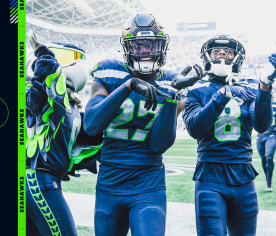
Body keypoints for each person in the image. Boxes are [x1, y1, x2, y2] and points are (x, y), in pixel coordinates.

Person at [83, 13, 203, 236]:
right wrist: (128, 86)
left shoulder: (170, 81)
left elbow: (159, 144)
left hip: (148, 182)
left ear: (162, 47)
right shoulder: (110, 73)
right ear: (127, 48)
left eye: (152, 45)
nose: (147, 52)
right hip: (110, 180)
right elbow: (91, 125)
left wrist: (172, 96)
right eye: (139, 46)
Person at [183, 35, 275, 235]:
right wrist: (222, 95)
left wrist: (265, 86)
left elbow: (262, 125)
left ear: (237, 59)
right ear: (208, 57)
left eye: (229, 52)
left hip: (243, 175)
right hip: (210, 175)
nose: (223, 54)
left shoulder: (249, 88)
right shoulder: (197, 90)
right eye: (217, 52)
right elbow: (194, 128)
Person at [25, 33, 102, 236]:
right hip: (38, 181)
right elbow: (38, 93)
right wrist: (44, 54)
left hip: (39, 181)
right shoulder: (40, 94)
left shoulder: (71, 106)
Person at [257, 98, 276, 192]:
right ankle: (267, 178)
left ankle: (269, 183)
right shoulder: (260, 104)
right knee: (263, 159)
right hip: (260, 135)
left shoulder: (275, 105)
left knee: (269, 156)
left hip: (272, 135)